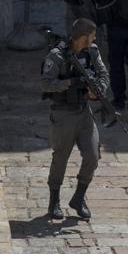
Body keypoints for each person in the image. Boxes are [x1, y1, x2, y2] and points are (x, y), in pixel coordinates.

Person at [41, 18, 110, 220]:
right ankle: (54, 201)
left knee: (93, 155)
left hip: (84, 112)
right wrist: (71, 82)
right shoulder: (57, 56)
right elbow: (46, 84)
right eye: (92, 35)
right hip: (63, 114)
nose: (94, 38)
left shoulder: (92, 51)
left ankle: (79, 197)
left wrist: (98, 90)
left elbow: (104, 74)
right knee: (60, 158)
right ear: (82, 37)